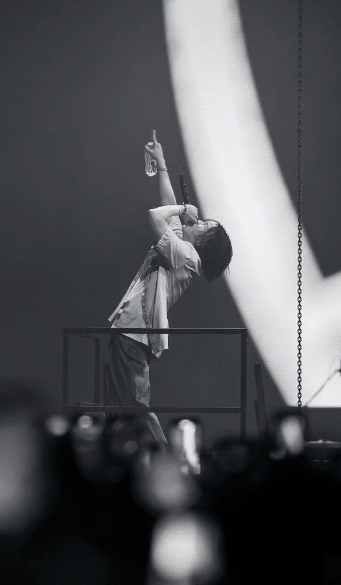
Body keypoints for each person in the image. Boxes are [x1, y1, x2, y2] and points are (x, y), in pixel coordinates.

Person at [103, 132, 233, 445]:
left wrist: (182, 209)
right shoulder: (180, 246)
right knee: (120, 409)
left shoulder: (188, 257)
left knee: (134, 407)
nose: (198, 222)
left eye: (204, 226)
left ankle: (167, 462)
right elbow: (167, 205)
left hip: (138, 331)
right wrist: (161, 164)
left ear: (204, 244)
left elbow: (156, 215)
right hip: (130, 328)